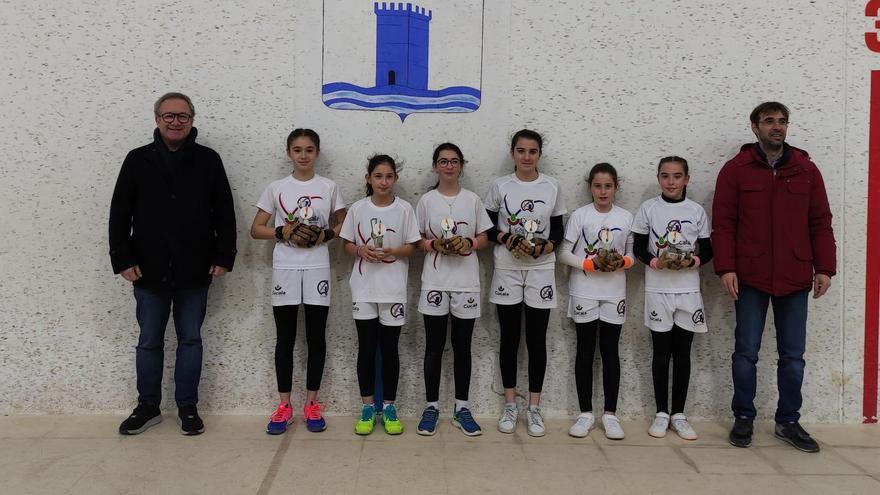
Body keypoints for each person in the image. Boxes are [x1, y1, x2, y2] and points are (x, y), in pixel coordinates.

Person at [109, 92, 237, 435]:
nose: (175, 122)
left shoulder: (209, 160)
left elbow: (224, 211)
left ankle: (187, 407)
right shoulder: (137, 160)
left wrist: (224, 255)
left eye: (182, 116)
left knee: (190, 339)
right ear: (157, 119)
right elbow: (120, 212)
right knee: (149, 340)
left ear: (192, 120)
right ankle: (147, 405)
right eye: (169, 116)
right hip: (146, 268)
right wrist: (122, 258)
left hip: (196, 267)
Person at [713, 102, 836, 453]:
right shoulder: (735, 170)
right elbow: (723, 225)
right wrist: (727, 267)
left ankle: (788, 421)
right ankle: (744, 417)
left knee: (793, 356)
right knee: (745, 353)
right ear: (754, 127)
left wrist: (825, 268)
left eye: (782, 122)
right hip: (750, 276)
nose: (777, 127)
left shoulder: (806, 170)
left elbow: (820, 223)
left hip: (795, 276)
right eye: (769, 122)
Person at [250, 129, 346, 435]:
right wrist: (282, 232)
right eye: (297, 150)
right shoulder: (277, 187)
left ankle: (312, 405)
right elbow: (256, 229)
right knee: (286, 339)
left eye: (308, 150)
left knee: (316, 338)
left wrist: (326, 234)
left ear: (317, 152)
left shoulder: (329, 186)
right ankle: (284, 406)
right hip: (286, 268)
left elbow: (345, 223)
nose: (303, 155)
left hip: (317, 266)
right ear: (288, 153)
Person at [484, 129, 566, 437]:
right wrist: (508, 237)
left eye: (532, 151)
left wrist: (545, 247)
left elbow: (558, 230)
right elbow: (488, 227)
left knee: (536, 339)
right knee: (509, 338)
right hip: (507, 267)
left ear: (539, 155)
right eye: (521, 151)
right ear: (513, 153)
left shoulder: (552, 186)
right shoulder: (500, 185)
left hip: (541, 269)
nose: (527, 157)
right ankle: (509, 404)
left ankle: (534, 407)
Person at [632, 156, 712, 441]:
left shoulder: (696, 211)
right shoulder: (648, 209)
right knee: (661, 353)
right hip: (658, 292)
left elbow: (707, 250)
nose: (671, 182)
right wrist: (656, 263)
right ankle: (661, 413)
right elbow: (639, 247)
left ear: (686, 179)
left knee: (682, 354)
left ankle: (679, 414)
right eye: (665, 176)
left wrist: (691, 263)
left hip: (688, 292)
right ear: (658, 178)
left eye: (677, 176)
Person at [415, 143, 492, 437]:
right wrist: (433, 245)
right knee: (434, 348)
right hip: (434, 282)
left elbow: (484, 238)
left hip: (465, 283)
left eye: (454, 161)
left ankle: (462, 408)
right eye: (443, 161)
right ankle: (431, 407)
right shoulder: (426, 201)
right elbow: (417, 239)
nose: (449, 166)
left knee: (462, 348)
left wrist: (469, 243)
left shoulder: (472, 200)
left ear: (461, 166)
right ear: (435, 166)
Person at [340, 155, 421, 435]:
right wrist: (360, 250)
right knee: (366, 347)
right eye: (378, 176)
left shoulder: (405, 209)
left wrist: (392, 251)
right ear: (368, 179)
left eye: (388, 176)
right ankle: (366, 407)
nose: (383, 182)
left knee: (389, 350)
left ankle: (388, 406)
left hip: (393, 289)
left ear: (395, 179)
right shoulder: (358, 209)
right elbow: (347, 244)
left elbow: (413, 246)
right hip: (363, 288)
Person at [556, 163, 634, 439]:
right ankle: (585, 413)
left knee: (610, 352)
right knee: (586, 351)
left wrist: (619, 262)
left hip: (614, 293)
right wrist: (589, 264)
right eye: (598, 186)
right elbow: (564, 253)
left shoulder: (626, 217)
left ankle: (610, 415)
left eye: (608, 186)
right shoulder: (580, 216)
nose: (603, 191)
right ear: (590, 186)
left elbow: (632, 256)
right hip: (584, 291)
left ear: (616, 187)